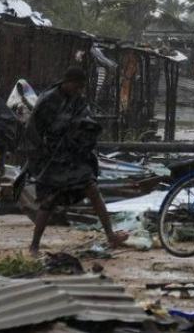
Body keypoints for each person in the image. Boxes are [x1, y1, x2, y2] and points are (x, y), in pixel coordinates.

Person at [22, 66, 128, 256]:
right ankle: (34, 245)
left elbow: (86, 123)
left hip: (74, 156)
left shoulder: (78, 101)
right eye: (76, 86)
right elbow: (31, 128)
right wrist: (42, 151)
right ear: (67, 82)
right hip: (52, 158)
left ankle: (111, 235)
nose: (78, 91)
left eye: (81, 88)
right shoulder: (49, 100)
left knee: (93, 190)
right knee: (49, 200)